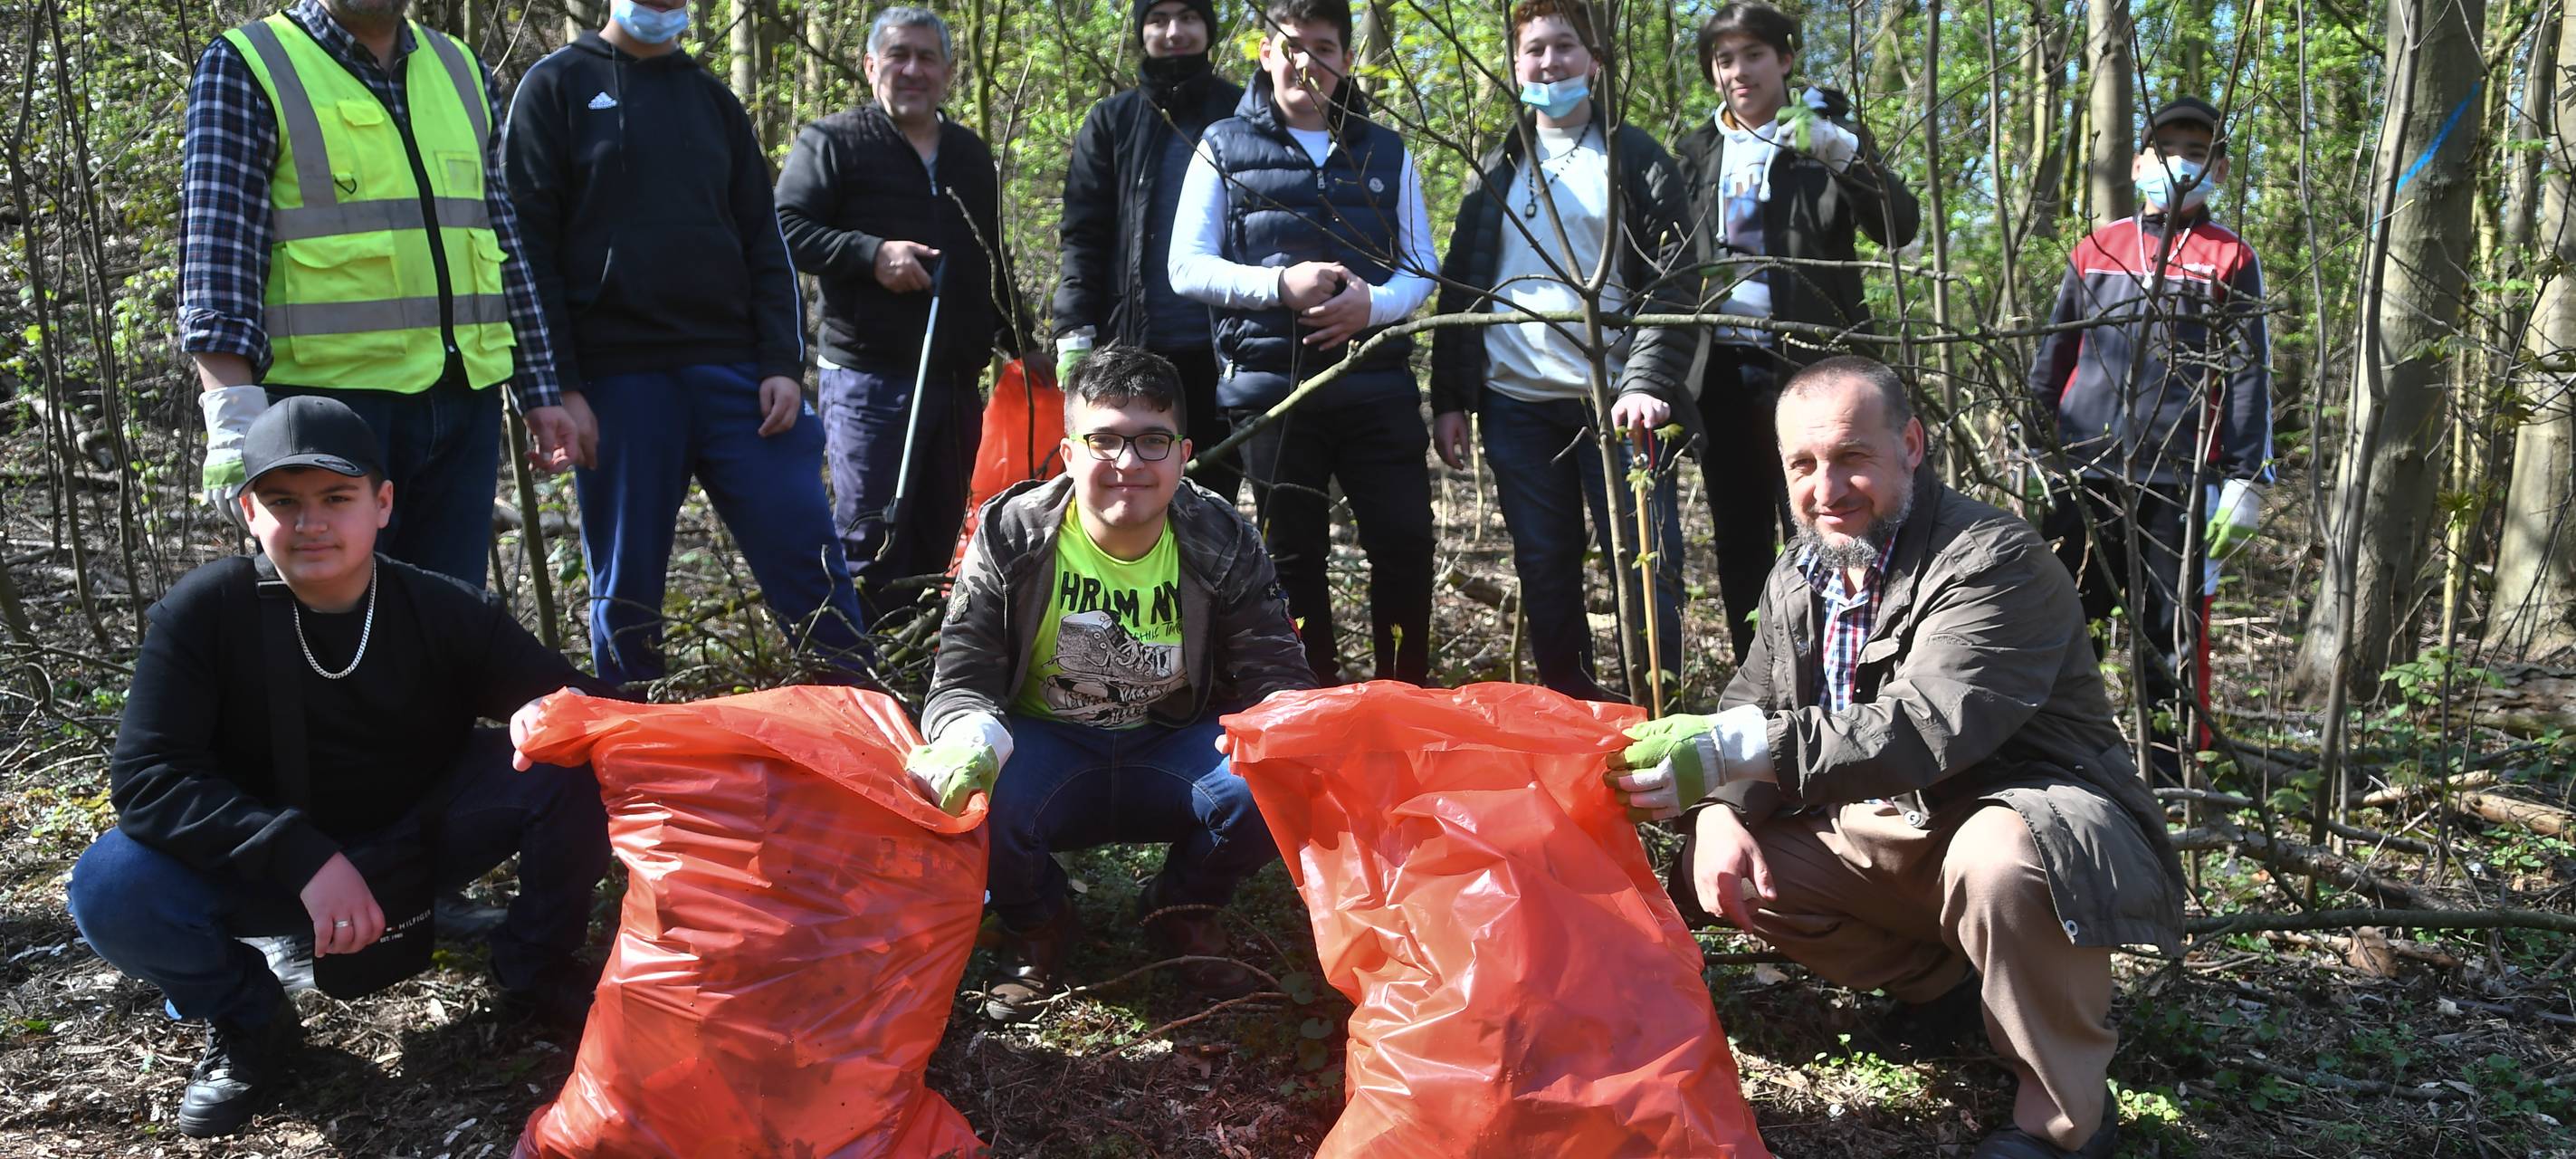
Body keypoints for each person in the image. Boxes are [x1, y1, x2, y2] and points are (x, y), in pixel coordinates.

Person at [1605, 357, 2185, 1159]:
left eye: (1851, 458)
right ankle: (1948, 989)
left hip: (2027, 814)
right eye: (1803, 466)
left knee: (2007, 861)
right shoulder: (1802, 570)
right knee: (1740, 869)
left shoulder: (1992, 558)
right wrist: (1719, 813)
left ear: (1910, 444)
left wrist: (1725, 752)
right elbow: (1755, 696)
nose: (1827, 489)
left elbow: (1921, 727)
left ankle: (2065, 1121)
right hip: (1893, 828)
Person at [66, 397, 615, 1138]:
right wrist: (300, 856)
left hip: (422, 839)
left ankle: (536, 969)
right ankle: (253, 1025)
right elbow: (149, 778)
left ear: (382, 503)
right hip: (269, 874)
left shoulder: (443, 609)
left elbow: (599, 707)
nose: (310, 522)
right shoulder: (203, 613)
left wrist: (553, 715)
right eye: (282, 501)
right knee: (110, 886)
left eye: (336, 497)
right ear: (247, 510)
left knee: (569, 761)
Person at [910, 346, 1314, 1023]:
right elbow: (962, 673)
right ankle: (1038, 922)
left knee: (1272, 780)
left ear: (1183, 453)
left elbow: (1277, 671)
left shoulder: (1221, 536)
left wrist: (1277, 729)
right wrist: (972, 734)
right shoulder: (1013, 531)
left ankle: (1182, 908)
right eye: (1104, 441)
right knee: (980, 788)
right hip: (1045, 745)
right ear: (1068, 453)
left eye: (1152, 441)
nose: (1129, 464)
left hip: (1176, 741)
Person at [501, 0, 872, 686]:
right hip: (618, 381)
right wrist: (558, 388)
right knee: (627, 591)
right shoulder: (554, 88)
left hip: (736, 375)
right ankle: (633, 745)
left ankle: (866, 722)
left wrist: (780, 364)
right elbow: (524, 251)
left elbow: (766, 240)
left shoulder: (713, 100)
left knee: (809, 559)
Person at [184, 0, 586, 589]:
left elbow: (499, 236)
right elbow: (218, 252)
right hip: (322, 415)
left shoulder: (462, 69)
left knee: (448, 623)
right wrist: (232, 421)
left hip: (463, 407)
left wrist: (538, 388)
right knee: (330, 629)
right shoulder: (249, 64)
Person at [1426, 0, 1693, 704]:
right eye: (1536, 50)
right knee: (1545, 565)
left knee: (1645, 564)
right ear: (1517, 66)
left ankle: (1653, 709)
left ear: (1595, 64)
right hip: (1515, 405)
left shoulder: (1634, 158)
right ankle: (1572, 712)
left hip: (1617, 406)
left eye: (1566, 47)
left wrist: (1646, 380)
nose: (1551, 62)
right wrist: (1451, 398)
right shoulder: (1494, 168)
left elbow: (1676, 278)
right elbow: (1463, 282)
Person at [1169, 0, 1439, 685]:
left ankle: (1402, 694)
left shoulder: (1386, 149)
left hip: (1376, 385)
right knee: (1292, 560)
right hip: (1270, 391)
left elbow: (1422, 267)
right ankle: (1309, 702)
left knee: (1405, 545)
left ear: (1346, 59)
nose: (1306, 62)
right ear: (1264, 53)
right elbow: (1186, 266)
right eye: (1291, 46)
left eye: (1323, 47)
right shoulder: (1223, 145)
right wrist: (1280, 285)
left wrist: (1371, 306)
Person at [2027, 95, 2272, 782]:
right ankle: (2050, 757)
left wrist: (2247, 482)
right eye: (2168, 149)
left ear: (2218, 169)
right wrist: (2035, 446)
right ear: (2139, 161)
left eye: (2197, 153)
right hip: (2083, 470)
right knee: (2066, 620)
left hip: (2179, 478)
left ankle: (2166, 779)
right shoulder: (2098, 247)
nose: (2180, 164)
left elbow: (2250, 372)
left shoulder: (2231, 258)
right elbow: (2053, 357)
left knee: (2169, 632)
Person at [775, 5, 1035, 625]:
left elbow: (991, 255)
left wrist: (1023, 341)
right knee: (871, 534)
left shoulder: (970, 155)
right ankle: (860, 672)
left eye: (927, 58)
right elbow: (783, 228)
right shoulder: (833, 142)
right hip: (869, 379)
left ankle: (918, 667)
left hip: (955, 381)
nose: (912, 70)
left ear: (948, 71)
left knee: (938, 535)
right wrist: (871, 255)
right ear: (871, 67)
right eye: (898, 56)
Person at [1681, 1, 1919, 664]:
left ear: (1784, 60)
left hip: (1812, 365)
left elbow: (1899, 227)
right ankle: (1759, 672)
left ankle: (1843, 664)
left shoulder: (1824, 137)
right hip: (1719, 369)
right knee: (1738, 530)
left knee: (1823, 519)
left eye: (1753, 55)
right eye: (1724, 60)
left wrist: (1843, 154)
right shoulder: (1696, 151)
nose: (1738, 72)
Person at [1054, 0, 1247, 502]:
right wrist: (1073, 328)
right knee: (1135, 490)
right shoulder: (1111, 122)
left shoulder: (1244, 113)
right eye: (1158, 20)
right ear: (1142, 31)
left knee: (1214, 495)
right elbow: (1083, 234)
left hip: (1226, 348)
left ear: (1208, 27)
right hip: (1133, 342)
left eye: (1188, 17)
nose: (1174, 31)